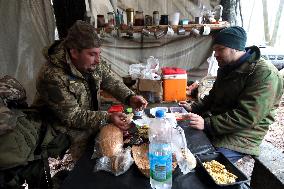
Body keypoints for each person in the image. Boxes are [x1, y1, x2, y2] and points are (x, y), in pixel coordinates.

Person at [32, 20, 147, 161]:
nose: (98, 60)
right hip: (62, 138)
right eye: (92, 54)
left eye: (99, 53)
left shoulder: (90, 60)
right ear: (74, 52)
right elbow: (72, 116)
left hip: (89, 124)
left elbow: (110, 80)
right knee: (86, 172)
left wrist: (130, 97)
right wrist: (107, 117)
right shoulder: (52, 76)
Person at [180, 26, 284, 163]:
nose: (215, 54)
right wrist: (194, 107)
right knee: (182, 141)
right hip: (220, 124)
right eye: (215, 50)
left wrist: (207, 124)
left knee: (205, 163)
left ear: (235, 48)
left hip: (243, 135)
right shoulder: (226, 67)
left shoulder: (264, 73)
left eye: (220, 49)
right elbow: (213, 97)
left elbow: (247, 115)